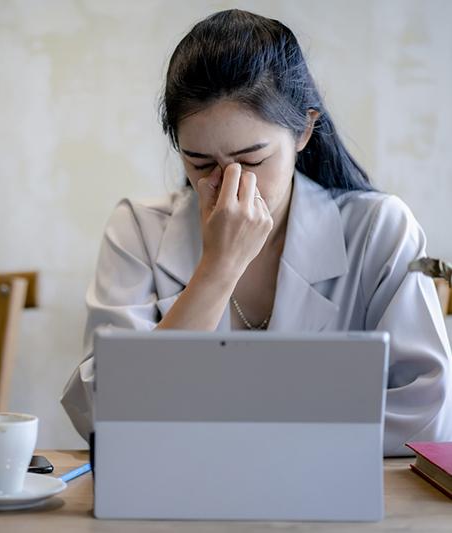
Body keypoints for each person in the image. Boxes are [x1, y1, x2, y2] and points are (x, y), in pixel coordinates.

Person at [60, 9, 452, 456]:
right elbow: (103, 415)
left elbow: (427, 413)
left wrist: (242, 434)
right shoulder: (137, 229)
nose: (229, 185)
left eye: (251, 161)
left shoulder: (379, 229)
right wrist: (217, 270)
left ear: (304, 129)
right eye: (201, 164)